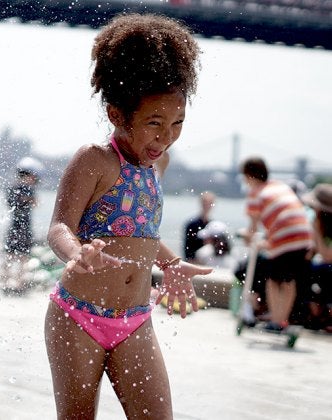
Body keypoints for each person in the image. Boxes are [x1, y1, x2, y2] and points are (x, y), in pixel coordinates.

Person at [44, 14, 212, 419]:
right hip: (77, 316)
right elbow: (59, 226)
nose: (166, 136)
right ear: (117, 114)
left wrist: (170, 262)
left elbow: (141, 232)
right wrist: (76, 254)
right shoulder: (95, 160)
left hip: (135, 321)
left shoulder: (158, 165)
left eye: (177, 124)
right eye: (154, 124)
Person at [240, 157, 313, 331]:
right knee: (288, 280)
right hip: (304, 235)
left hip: (284, 238)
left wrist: (247, 238)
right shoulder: (280, 186)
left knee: (273, 280)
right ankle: (283, 320)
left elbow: (252, 227)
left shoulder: (255, 192)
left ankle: (276, 321)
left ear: (249, 176)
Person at [1, 157, 42, 294]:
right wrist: (28, 200)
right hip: (22, 226)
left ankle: (9, 282)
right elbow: (35, 204)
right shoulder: (26, 189)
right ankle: (17, 283)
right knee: (20, 256)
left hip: (16, 225)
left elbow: (10, 203)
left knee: (12, 255)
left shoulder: (13, 187)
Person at [301, 183, 332, 332]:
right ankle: (314, 315)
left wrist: (316, 231)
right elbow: (311, 253)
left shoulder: (320, 227)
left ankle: (320, 315)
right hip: (324, 269)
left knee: (320, 271)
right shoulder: (321, 225)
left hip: (328, 269)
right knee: (302, 270)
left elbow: (327, 256)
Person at [183, 191, 216, 261]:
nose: (207, 206)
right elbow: (187, 248)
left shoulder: (214, 225)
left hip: (210, 262)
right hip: (194, 262)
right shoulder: (191, 225)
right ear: (201, 204)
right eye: (205, 203)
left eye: (209, 203)